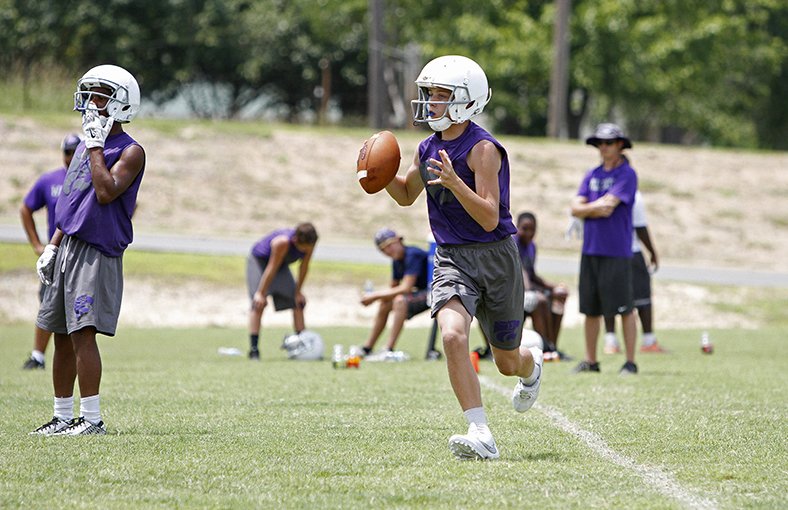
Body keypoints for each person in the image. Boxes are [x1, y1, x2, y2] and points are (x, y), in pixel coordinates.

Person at [384, 55, 542, 460]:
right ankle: (480, 432)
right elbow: (405, 194)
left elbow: (490, 218)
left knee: (507, 362)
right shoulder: (427, 146)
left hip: (497, 258)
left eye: (440, 95)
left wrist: (455, 183)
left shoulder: (482, 149)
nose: (431, 103)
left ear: (465, 101)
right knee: (453, 335)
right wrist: (379, 175)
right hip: (452, 257)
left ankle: (531, 364)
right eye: (430, 94)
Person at [30, 64, 145, 436]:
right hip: (68, 246)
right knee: (59, 332)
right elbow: (73, 202)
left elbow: (105, 191)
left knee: (82, 332)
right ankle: (63, 416)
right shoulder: (83, 145)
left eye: (100, 95)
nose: (92, 102)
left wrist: (96, 145)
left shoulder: (130, 150)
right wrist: (52, 245)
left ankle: (91, 419)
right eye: (90, 93)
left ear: (121, 102)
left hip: (97, 250)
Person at [570, 123, 639, 376]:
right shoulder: (592, 174)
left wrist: (587, 207)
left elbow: (608, 207)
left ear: (620, 145)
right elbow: (575, 207)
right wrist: (591, 208)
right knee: (590, 308)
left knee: (624, 308)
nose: (603, 147)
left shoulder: (626, 174)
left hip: (616, 251)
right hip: (590, 250)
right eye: (600, 143)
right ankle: (591, 360)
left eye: (608, 143)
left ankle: (630, 361)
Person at [20, 133, 81, 370]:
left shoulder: (91, 177)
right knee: (48, 303)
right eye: (67, 151)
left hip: (81, 253)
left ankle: (78, 353)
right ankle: (38, 355)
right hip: (55, 254)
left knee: (79, 305)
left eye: (76, 151)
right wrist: (37, 244)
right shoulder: (50, 181)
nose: (71, 156)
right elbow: (26, 208)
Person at [603, 191, 664, 353]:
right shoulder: (633, 196)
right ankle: (649, 341)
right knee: (642, 298)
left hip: (605, 253)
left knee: (609, 296)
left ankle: (611, 342)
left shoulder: (602, 192)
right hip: (631, 252)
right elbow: (640, 227)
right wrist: (652, 252)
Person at [246, 223, 318, 360]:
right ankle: (254, 350)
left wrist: (298, 292)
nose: (307, 250)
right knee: (259, 304)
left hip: (281, 265)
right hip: (260, 262)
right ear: (296, 240)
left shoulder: (311, 242)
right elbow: (271, 268)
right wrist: (261, 293)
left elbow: (304, 267)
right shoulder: (282, 242)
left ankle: (303, 344)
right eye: (304, 248)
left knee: (297, 303)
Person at [360, 228, 430, 358]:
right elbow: (393, 288)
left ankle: (389, 348)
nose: (387, 251)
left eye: (389, 245)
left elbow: (406, 288)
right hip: (420, 293)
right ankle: (367, 347)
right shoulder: (397, 261)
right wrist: (379, 298)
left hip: (434, 291)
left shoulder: (412, 254)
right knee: (385, 303)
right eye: (383, 250)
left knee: (399, 301)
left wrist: (374, 296)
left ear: (399, 240)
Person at [514, 211, 570, 361]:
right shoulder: (513, 243)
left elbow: (533, 275)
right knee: (540, 301)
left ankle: (553, 347)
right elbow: (523, 276)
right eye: (524, 228)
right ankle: (545, 348)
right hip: (513, 295)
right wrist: (548, 293)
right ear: (517, 227)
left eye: (532, 229)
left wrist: (555, 288)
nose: (528, 233)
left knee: (559, 298)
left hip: (528, 291)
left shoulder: (532, 247)